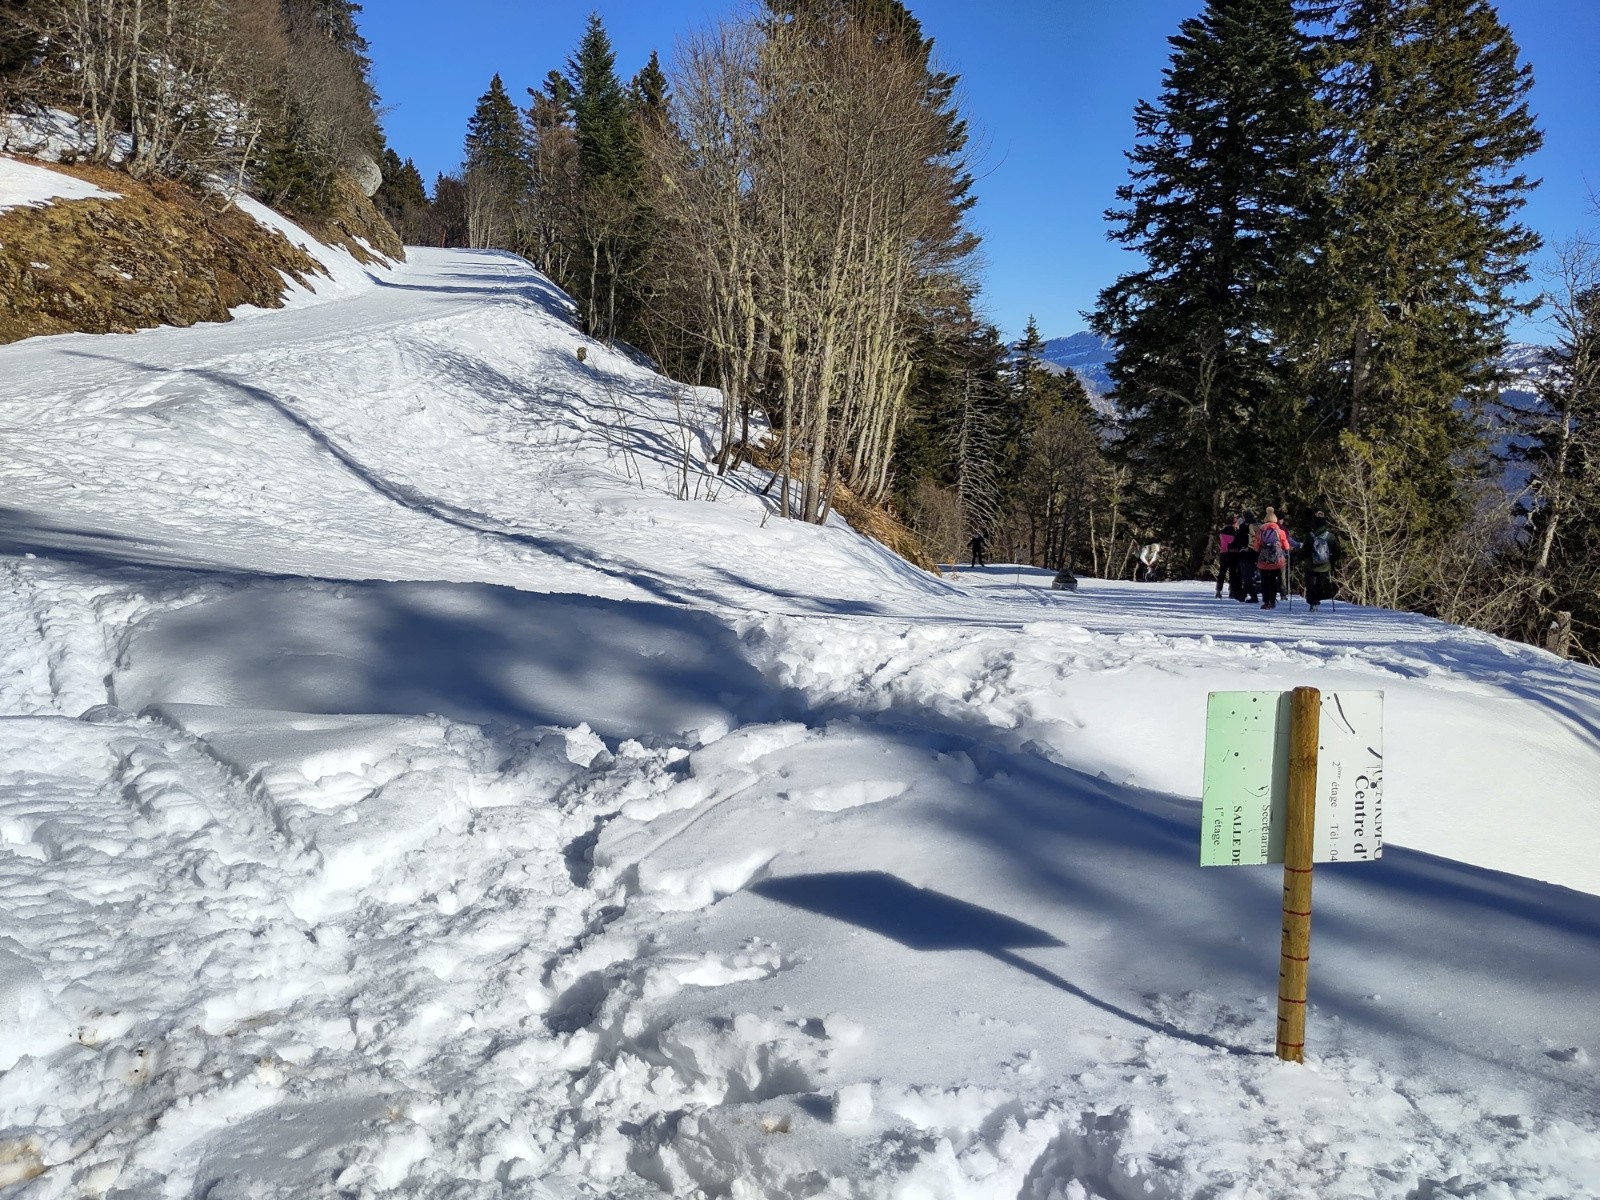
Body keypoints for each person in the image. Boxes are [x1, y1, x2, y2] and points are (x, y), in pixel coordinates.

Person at [1255, 506, 1290, 609]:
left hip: (1263, 560)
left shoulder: (1260, 531)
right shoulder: (1280, 531)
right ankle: (1272, 601)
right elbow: (1286, 546)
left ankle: (1266, 602)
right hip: (1276, 560)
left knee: (1265, 581)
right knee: (1273, 581)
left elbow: (1256, 547)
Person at [1302, 511, 1338, 611]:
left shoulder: (1310, 536)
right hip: (1325, 565)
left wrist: (1300, 557)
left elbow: (1304, 551)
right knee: (1320, 585)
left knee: (1311, 585)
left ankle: (1312, 603)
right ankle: (1317, 601)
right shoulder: (1330, 536)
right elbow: (1336, 551)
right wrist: (1332, 561)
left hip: (1311, 565)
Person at [1215, 514, 1240, 599]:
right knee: (1232, 572)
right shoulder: (1235, 532)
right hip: (1233, 553)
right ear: (1234, 523)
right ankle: (1231, 591)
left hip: (1223, 553)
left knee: (1222, 572)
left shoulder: (1221, 532)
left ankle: (1218, 589)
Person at [1237, 511, 1260, 602]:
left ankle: (1252, 596)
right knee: (1249, 576)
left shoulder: (1243, 527)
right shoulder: (1258, 526)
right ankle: (1243, 594)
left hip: (1245, 553)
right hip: (1257, 553)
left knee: (1246, 576)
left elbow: (1238, 540)